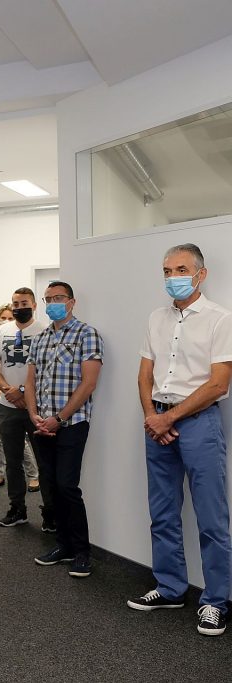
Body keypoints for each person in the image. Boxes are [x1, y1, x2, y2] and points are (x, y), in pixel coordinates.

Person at [127, 244, 232, 637]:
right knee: (164, 511)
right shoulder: (156, 318)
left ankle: (216, 601)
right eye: (167, 271)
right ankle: (170, 587)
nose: (173, 277)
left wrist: (168, 417)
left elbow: (219, 382)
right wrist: (152, 417)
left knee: (211, 517)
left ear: (201, 274)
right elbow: (144, 375)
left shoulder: (221, 319)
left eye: (181, 269)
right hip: (157, 421)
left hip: (199, 424)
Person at [26, 282, 103, 578]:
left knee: (68, 487)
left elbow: (88, 384)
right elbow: (31, 382)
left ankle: (82, 552)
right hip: (41, 424)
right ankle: (63, 546)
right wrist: (34, 415)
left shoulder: (87, 334)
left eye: (58, 298)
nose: (52, 303)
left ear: (72, 302)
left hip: (71, 424)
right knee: (52, 487)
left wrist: (59, 418)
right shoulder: (41, 338)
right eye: (48, 299)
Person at [0, 287, 53, 529]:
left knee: (45, 463)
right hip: (7, 406)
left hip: (38, 408)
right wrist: (8, 390)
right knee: (12, 462)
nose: (19, 307)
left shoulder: (47, 331)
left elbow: (49, 369)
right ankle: (17, 509)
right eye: (15, 303)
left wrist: (24, 392)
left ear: (34, 305)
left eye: (24, 303)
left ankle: (50, 513)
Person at [0, 304, 39, 490]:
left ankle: (33, 475)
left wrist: (18, 392)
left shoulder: (39, 333)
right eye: (3, 318)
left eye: (9, 318)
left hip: (22, 395)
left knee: (22, 442)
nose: (6, 321)